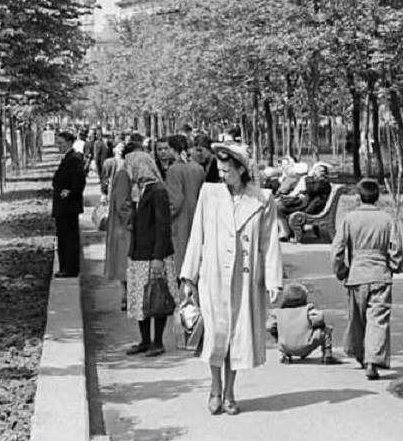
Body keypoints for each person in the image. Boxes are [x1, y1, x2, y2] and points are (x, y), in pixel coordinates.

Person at [180, 142, 282, 416]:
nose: (222, 175)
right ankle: (214, 387)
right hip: (212, 276)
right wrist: (189, 277)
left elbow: (269, 242)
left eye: (227, 170)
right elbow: (196, 235)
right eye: (220, 170)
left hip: (244, 278)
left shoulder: (262, 199)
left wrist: (273, 280)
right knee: (215, 336)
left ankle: (229, 392)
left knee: (237, 337)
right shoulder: (209, 194)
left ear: (241, 170)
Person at [332, 178, 403, 380]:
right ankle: (373, 360)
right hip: (381, 275)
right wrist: (394, 266)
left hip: (357, 276)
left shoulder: (349, 219)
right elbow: (396, 249)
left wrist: (341, 270)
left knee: (357, 318)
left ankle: (360, 354)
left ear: (357, 197)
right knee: (378, 319)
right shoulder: (388, 220)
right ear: (377, 197)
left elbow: (337, 249)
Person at [125, 148, 179, 357]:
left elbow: (163, 225)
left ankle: (158, 341)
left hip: (154, 254)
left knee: (156, 296)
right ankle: (145, 340)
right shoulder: (141, 189)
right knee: (141, 298)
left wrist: (158, 257)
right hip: (139, 253)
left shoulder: (158, 191)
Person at [267, 282, 336, 365]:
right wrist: (312, 324)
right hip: (306, 344)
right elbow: (320, 318)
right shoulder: (307, 309)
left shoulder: (278, 313)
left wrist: (279, 331)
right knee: (327, 330)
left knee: (279, 333)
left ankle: (284, 355)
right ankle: (327, 355)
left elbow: (269, 326)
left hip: (286, 345)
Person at [50, 128, 86, 278]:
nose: (59, 146)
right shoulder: (68, 158)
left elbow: (79, 181)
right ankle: (66, 267)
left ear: (70, 143)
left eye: (61, 143)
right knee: (64, 237)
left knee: (68, 238)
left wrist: (70, 192)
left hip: (68, 207)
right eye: (57, 143)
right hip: (64, 206)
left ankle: (69, 268)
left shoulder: (74, 159)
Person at [163, 134, 204, 261]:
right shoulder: (198, 168)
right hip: (196, 215)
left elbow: (175, 200)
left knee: (180, 254)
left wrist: (165, 217)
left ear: (172, 149)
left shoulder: (173, 170)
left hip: (180, 220)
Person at [103, 141, 132, 311]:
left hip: (124, 227)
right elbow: (123, 204)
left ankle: (127, 296)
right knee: (125, 263)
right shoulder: (124, 173)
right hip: (125, 228)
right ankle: (125, 297)